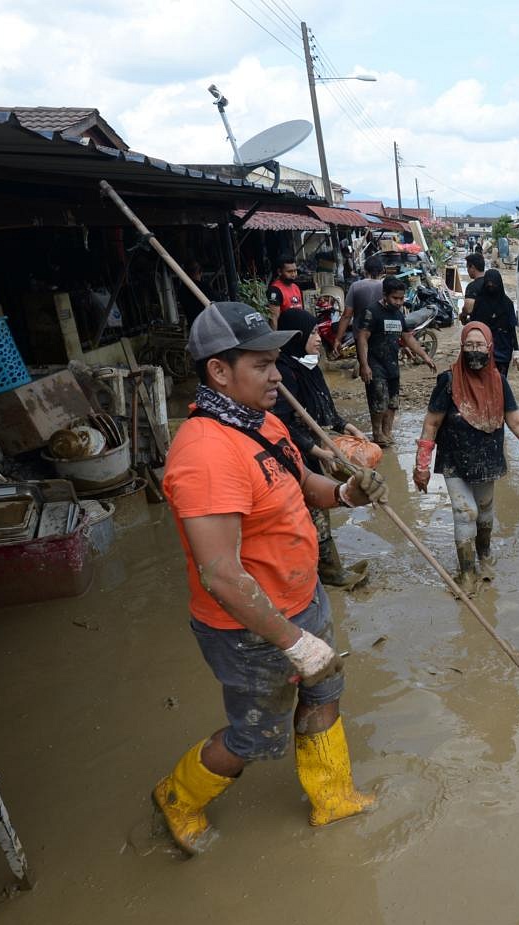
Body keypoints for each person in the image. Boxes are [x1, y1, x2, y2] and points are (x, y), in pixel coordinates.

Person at [153, 301, 389, 857]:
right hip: (250, 629)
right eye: (261, 364)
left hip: (302, 596)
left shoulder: (261, 420)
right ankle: (177, 796)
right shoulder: (206, 453)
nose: (278, 375)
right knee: (257, 736)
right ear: (218, 370)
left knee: (326, 690)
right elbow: (222, 575)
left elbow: (302, 484)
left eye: (275, 361)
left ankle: (334, 797)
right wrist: (293, 642)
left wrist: (348, 493)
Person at [413, 322, 519, 594]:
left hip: (487, 457)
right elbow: (431, 423)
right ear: (462, 347)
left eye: (480, 346)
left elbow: (516, 421)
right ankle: (466, 573)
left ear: (489, 348)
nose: (474, 351)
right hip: (455, 458)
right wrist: (422, 464)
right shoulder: (448, 381)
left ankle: (484, 556)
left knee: (485, 511)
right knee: (467, 513)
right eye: (469, 345)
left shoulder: (499, 381)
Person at [272, 308, 370, 589]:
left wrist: (346, 427)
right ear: (297, 336)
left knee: (318, 510)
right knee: (313, 512)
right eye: (313, 332)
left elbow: (321, 408)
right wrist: (317, 452)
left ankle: (323, 567)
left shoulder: (308, 366)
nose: (318, 338)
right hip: (294, 455)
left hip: (312, 449)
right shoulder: (283, 374)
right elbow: (283, 424)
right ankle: (328, 572)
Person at [356, 276, 438, 446]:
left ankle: (387, 433)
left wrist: (425, 357)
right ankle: (377, 434)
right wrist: (364, 365)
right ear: (385, 295)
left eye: (402, 298)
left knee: (393, 402)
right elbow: (362, 338)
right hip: (375, 363)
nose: (400, 302)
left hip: (392, 364)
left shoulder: (398, 314)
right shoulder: (372, 312)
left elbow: (407, 337)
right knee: (379, 400)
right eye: (395, 298)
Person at [464, 268, 518, 371]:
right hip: (482, 350)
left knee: (499, 382)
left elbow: (512, 328)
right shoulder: (479, 303)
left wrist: (516, 350)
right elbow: (473, 325)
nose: (491, 286)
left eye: (493, 284)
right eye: (488, 284)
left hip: (502, 351)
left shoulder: (507, 304)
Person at [333, 255, 386, 356]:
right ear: (382, 271)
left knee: (365, 364)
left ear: (365, 270)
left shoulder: (356, 287)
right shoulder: (386, 287)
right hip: (383, 335)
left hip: (361, 336)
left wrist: (338, 339)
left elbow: (347, 315)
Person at [266, 258, 303, 329]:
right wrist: (275, 338)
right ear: (279, 272)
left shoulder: (295, 287)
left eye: (295, 271)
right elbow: (273, 318)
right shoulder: (275, 290)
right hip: (286, 333)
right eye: (289, 271)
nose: (293, 274)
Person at [459, 252, 487, 320]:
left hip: (479, 325)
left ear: (472, 267)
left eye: (467, 267)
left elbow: (468, 309)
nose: (467, 271)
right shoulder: (493, 283)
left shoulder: (472, 287)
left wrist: (463, 314)